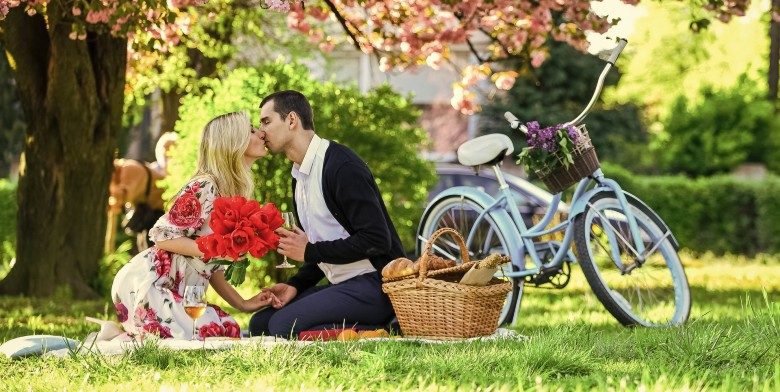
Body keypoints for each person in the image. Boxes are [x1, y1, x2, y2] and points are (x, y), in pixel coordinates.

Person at [111, 112, 281, 340]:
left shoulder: (229, 192)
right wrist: (213, 247)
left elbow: (210, 265)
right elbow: (162, 236)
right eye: (251, 130)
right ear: (233, 141)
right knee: (208, 335)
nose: (261, 133)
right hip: (149, 285)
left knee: (228, 329)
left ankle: (133, 333)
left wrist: (242, 303)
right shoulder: (205, 186)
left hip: (184, 293)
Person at [248, 90, 404, 338]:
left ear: (291, 120)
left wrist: (309, 251)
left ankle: (385, 328)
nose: (262, 131)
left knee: (281, 327)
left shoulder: (341, 166)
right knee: (261, 324)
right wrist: (295, 285)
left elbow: (377, 240)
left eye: (266, 121)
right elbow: (321, 249)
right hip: (342, 285)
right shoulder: (298, 176)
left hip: (376, 285)